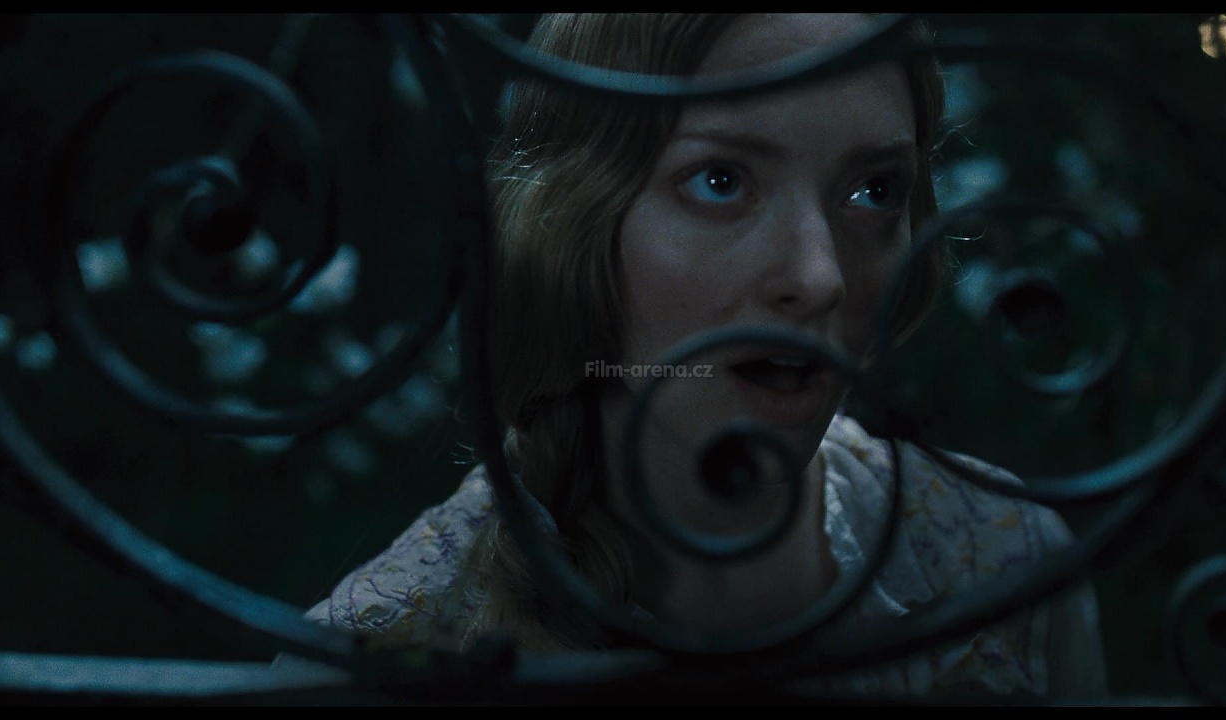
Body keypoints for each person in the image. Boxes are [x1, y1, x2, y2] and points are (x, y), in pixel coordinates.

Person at [301, 13, 1109, 699]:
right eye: (720, 181)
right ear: (573, 224)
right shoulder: (382, 655)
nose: (818, 278)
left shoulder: (1006, 571)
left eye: (875, 191)